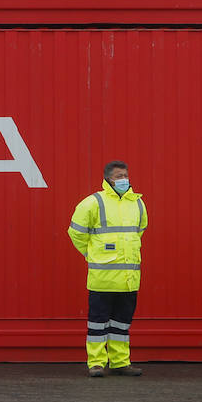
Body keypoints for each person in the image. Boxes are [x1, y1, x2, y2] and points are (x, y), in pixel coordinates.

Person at [68, 161, 148, 378]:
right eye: (119, 176)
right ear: (108, 179)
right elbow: (76, 233)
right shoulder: (92, 203)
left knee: (122, 324)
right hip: (102, 277)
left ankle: (121, 362)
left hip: (128, 278)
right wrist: (90, 253)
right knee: (98, 323)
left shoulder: (137, 203)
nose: (124, 179)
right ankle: (96, 363)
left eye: (126, 175)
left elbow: (138, 232)